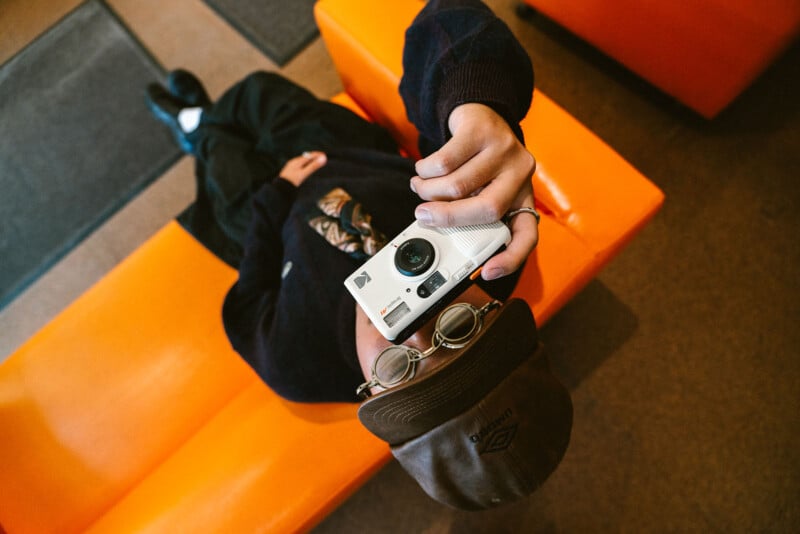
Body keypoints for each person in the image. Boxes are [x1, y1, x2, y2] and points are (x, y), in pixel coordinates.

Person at [146, 0, 571, 510]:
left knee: (222, 155)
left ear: (369, 391)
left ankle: (195, 124)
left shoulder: (296, 362)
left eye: (399, 366)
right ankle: (204, 121)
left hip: (270, 219)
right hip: (346, 155)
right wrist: (475, 105)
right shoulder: (489, 250)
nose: (410, 323)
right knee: (258, 91)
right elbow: (448, 19)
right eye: (459, 327)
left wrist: (275, 196)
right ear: (492, 304)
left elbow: (244, 303)